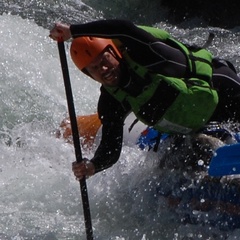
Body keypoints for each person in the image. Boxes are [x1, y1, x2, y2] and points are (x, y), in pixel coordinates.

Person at [49, 19, 240, 180]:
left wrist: (73, 31)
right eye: (95, 68)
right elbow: (110, 148)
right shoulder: (111, 101)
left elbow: (124, 29)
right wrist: (92, 166)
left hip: (224, 92)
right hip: (197, 124)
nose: (104, 69)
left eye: (105, 60)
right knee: (179, 163)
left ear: (114, 52)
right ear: (89, 74)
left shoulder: (145, 53)